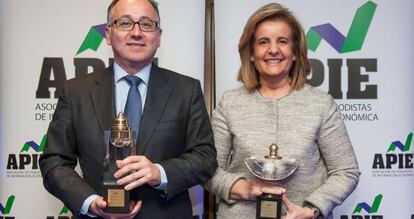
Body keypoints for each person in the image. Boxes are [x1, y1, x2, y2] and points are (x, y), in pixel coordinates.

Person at [39, 0, 217, 218]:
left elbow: (205, 157)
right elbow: (54, 161)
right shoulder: (76, 91)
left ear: (158, 36)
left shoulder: (187, 90)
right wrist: (91, 202)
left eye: (146, 24)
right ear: (107, 33)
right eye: (125, 23)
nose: (136, 32)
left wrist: (159, 172)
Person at [205, 3, 359, 219]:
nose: (273, 50)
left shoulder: (321, 104)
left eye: (283, 41)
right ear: (251, 53)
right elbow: (208, 170)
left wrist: (312, 209)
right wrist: (245, 189)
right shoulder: (230, 103)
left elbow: (346, 171)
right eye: (263, 42)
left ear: (295, 52)